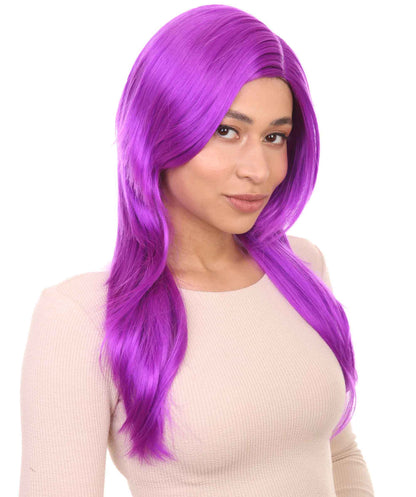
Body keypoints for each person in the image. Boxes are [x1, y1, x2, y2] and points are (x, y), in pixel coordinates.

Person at [19, 4, 375, 496]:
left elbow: (338, 454)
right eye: (227, 131)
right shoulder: (82, 315)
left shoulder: (302, 267)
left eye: (275, 137)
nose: (258, 169)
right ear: (160, 131)